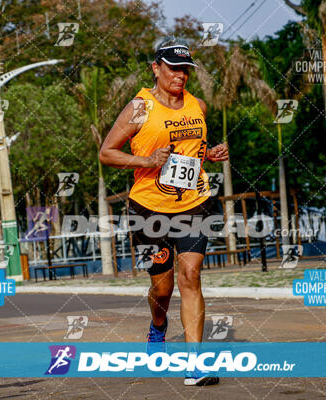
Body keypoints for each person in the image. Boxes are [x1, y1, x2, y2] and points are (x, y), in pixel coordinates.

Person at [99, 39, 228, 387]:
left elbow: (192, 153)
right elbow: (106, 153)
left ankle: (195, 364)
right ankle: (158, 326)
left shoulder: (197, 105)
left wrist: (209, 155)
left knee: (191, 274)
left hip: (193, 204)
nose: (180, 76)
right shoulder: (139, 108)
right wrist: (146, 160)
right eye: (173, 68)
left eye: (185, 70)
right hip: (147, 209)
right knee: (162, 287)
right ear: (156, 68)